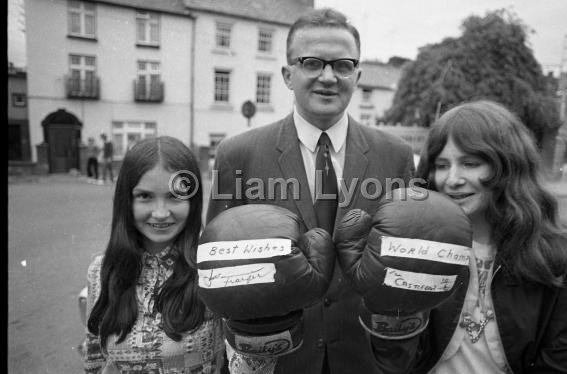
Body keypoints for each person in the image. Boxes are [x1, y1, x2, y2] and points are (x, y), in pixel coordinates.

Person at [207, 7, 415, 374]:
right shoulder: (238, 155)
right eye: (313, 62)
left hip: (365, 359)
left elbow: (407, 262)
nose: (329, 77)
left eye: (343, 65)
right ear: (288, 74)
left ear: (358, 74)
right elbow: (216, 268)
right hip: (277, 361)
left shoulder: (395, 155)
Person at [368, 100, 567, 373]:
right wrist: (384, 307)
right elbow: (396, 362)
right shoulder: (417, 244)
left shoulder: (557, 254)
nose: (452, 179)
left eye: (470, 163)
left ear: (508, 166)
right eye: (441, 165)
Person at [83, 136, 225, 373]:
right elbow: (94, 360)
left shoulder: (213, 269)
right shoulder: (100, 270)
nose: (160, 213)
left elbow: (243, 358)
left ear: (193, 201)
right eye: (145, 196)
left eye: (174, 196)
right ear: (126, 200)